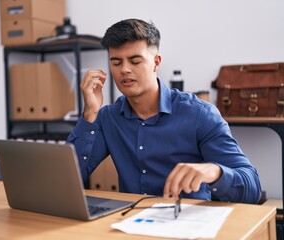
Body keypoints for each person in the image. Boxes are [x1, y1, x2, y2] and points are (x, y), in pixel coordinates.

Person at [67, 18, 262, 203]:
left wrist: (215, 172)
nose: (124, 70)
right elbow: (69, 177)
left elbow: (252, 188)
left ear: (156, 62)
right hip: (130, 224)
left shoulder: (200, 115)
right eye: (116, 62)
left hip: (187, 225)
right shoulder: (107, 117)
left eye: (135, 61)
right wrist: (90, 114)